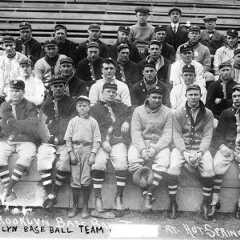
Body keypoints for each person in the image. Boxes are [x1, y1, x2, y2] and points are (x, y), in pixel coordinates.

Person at [167, 84, 214, 220]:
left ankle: (205, 204)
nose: (193, 97)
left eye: (196, 95)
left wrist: (200, 152)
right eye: (191, 95)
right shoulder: (179, 112)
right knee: (173, 168)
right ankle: (172, 203)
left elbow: (207, 135)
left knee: (209, 170)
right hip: (183, 148)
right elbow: (176, 135)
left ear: (200, 96)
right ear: (186, 96)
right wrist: (184, 152)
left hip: (200, 148)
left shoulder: (208, 113)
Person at [90, 82, 131, 218]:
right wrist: (102, 141)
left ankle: (118, 197)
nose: (112, 94)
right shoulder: (95, 108)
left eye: (114, 92)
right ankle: (98, 198)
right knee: (98, 164)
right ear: (102, 93)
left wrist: (127, 121)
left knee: (121, 164)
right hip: (101, 142)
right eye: (108, 92)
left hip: (117, 140)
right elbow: (93, 128)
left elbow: (132, 112)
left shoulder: (121, 106)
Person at [128, 86, 172, 211]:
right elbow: (135, 132)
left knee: (164, 161)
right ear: (148, 97)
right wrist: (142, 149)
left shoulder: (168, 112)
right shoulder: (138, 111)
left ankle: (149, 194)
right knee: (132, 159)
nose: (157, 100)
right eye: (154, 97)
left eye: (159, 98)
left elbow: (167, 135)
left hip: (159, 144)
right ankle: (145, 192)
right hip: (141, 143)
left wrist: (155, 149)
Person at [37, 76, 76, 209]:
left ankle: (54, 192)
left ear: (65, 88)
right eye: (55, 86)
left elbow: (72, 123)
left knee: (64, 163)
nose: (58, 88)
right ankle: (49, 193)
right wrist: (49, 138)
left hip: (65, 140)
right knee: (43, 159)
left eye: (61, 86)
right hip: (49, 140)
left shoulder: (71, 103)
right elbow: (41, 124)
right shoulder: (46, 104)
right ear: (51, 88)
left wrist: (61, 138)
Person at [0, 80, 40, 203]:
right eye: (12, 90)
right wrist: (19, 125)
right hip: (8, 138)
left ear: (23, 92)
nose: (14, 94)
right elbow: (5, 124)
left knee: (27, 156)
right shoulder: (4, 105)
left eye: (18, 91)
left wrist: (14, 124)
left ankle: (8, 188)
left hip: (26, 139)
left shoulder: (30, 105)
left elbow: (32, 125)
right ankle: (9, 190)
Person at [64, 95, 101, 218]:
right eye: (80, 106)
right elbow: (68, 139)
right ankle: (74, 206)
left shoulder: (93, 122)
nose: (82, 108)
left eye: (85, 106)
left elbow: (97, 140)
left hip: (87, 149)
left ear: (89, 107)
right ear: (76, 107)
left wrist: (93, 154)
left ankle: (85, 206)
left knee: (85, 179)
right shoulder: (73, 121)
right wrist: (71, 153)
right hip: (75, 149)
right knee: (75, 180)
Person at [209, 85, 240, 219]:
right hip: (227, 147)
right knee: (216, 167)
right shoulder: (226, 113)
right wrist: (222, 147)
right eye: (234, 96)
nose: (237, 99)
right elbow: (218, 134)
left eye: (239, 96)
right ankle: (214, 202)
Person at [0, 36, 26, 100]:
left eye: (11, 45)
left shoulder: (22, 58)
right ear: (2, 46)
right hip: (2, 90)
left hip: (17, 90)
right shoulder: (1, 59)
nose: (9, 48)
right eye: (6, 45)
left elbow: (24, 77)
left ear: (15, 45)